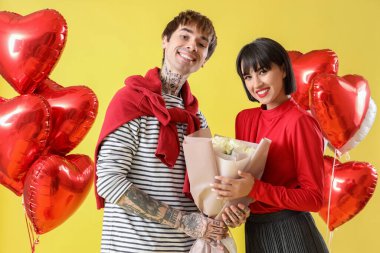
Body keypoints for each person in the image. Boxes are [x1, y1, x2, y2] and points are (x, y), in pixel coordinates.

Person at [95, 10, 249, 253]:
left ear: (205, 58)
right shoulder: (130, 102)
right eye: (184, 36)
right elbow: (108, 181)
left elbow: (206, 195)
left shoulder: (196, 118)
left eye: (202, 43)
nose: (191, 46)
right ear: (165, 40)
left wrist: (228, 211)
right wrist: (185, 222)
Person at [211, 37, 329, 252]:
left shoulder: (301, 122)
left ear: (283, 70)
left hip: (293, 233)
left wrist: (255, 189)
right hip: (255, 232)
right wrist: (234, 208)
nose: (256, 84)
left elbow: (313, 198)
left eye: (263, 71)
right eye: (248, 76)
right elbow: (245, 181)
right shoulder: (244, 119)